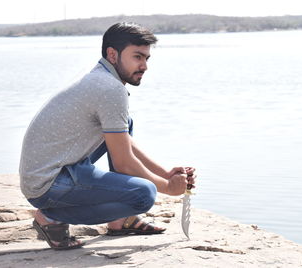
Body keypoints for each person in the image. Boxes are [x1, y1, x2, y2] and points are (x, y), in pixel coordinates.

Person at [19, 22, 196, 250]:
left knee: (125, 124)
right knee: (144, 194)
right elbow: (124, 162)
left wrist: (164, 173)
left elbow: (123, 143)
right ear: (113, 54)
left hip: (57, 168)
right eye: (137, 57)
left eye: (146, 58)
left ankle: (120, 220)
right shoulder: (110, 89)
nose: (144, 66)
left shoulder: (102, 78)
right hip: (47, 184)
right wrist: (168, 188)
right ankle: (51, 217)